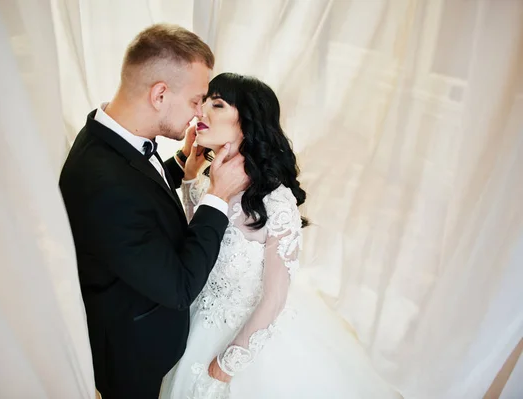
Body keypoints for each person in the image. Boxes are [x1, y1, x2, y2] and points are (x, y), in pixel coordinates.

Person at [160, 73, 399, 399]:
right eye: (203, 102)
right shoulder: (210, 178)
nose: (200, 111)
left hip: (242, 339)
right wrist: (189, 179)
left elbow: (274, 297)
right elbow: (197, 238)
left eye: (216, 104)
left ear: (246, 121)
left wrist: (228, 363)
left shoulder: (276, 201)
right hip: (194, 320)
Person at [59, 25, 248, 399]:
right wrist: (217, 197)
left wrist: (180, 166)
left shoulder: (107, 138)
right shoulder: (103, 183)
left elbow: (140, 193)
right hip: (133, 361)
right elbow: (179, 288)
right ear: (160, 94)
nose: (199, 115)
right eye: (197, 101)